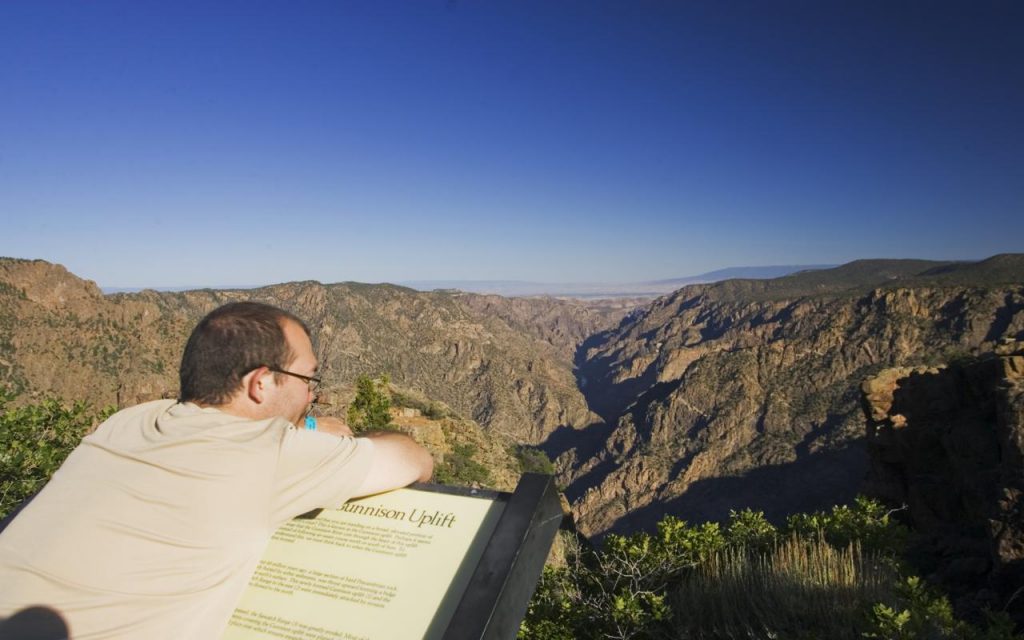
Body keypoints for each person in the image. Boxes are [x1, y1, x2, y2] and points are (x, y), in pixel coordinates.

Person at [0, 301, 433, 639]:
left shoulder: (129, 421)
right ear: (260, 382)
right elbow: (415, 460)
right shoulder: (268, 454)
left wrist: (312, 428)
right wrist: (318, 437)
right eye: (309, 381)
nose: (310, 397)